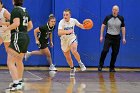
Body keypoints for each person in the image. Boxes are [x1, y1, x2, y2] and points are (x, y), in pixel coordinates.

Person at [3, 0, 33, 91]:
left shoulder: (15, 10)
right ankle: (19, 81)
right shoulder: (25, 11)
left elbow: (16, 23)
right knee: (19, 60)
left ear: (13, 1)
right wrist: (23, 32)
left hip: (17, 36)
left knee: (10, 61)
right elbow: (30, 26)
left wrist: (6, 29)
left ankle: (16, 83)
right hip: (25, 36)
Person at [58, 9, 87, 76]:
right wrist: (67, 32)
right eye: (64, 15)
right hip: (64, 40)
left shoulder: (73, 20)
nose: (65, 16)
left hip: (72, 38)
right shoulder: (61, 22)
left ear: (70, 15)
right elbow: (59, 33)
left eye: (67, 15)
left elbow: (80, 25)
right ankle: (72, 68)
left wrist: (85, 26)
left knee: (74, 50)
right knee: (68, 57)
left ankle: (80, 63)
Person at [98, 5, 126, 72]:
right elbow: (103, 26)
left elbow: (123, 28)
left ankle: (112, 67)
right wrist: (101, 36)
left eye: (116, 10)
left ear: (118, 11)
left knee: (115, 53)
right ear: (112, 10)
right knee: (105, 50)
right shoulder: (108, 17)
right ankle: (100, 65)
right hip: (109, 37)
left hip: (117, 38)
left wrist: (124, 38)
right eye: (113, 9)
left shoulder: (121, 18)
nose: (114, 11)